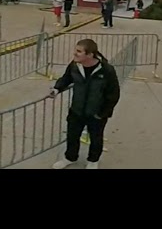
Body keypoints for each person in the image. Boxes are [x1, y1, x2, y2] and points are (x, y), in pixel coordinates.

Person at [49, 39, 121, 169]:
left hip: (96, 113)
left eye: (78, 51)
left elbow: (113, 94)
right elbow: (66, 78)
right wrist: (57, 88)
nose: (74, 54)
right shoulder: (75, 66)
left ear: (90, 54)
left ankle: (93, 161)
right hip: (77, 110)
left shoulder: (106, 70)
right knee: (72, 136)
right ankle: (70, 157)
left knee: (96, 138)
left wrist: (102, 113)